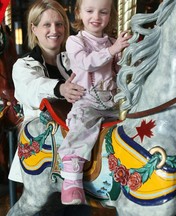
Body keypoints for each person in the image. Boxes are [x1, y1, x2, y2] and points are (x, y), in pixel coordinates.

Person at [57, 0, 131, 205]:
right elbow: (85, 63)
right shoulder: (75, 41)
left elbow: (119, 72)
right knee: (82, 125)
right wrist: (113, 50)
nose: (96, 17)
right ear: (78, 13)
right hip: (87, 100)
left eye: (103, 12)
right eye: (90, 11)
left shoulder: (112, 42)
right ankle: (71, 180)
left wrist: (124, 55)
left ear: (110, 16)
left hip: (112, 102)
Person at [8, 0, 85, 183]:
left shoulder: (75, 62)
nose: (54, 30)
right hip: (41, 154)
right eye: (47, 25)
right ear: (34, 28)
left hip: (73, 154)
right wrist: (60, 88)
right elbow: (32, 88)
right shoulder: (24, 65)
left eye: (59, 24)